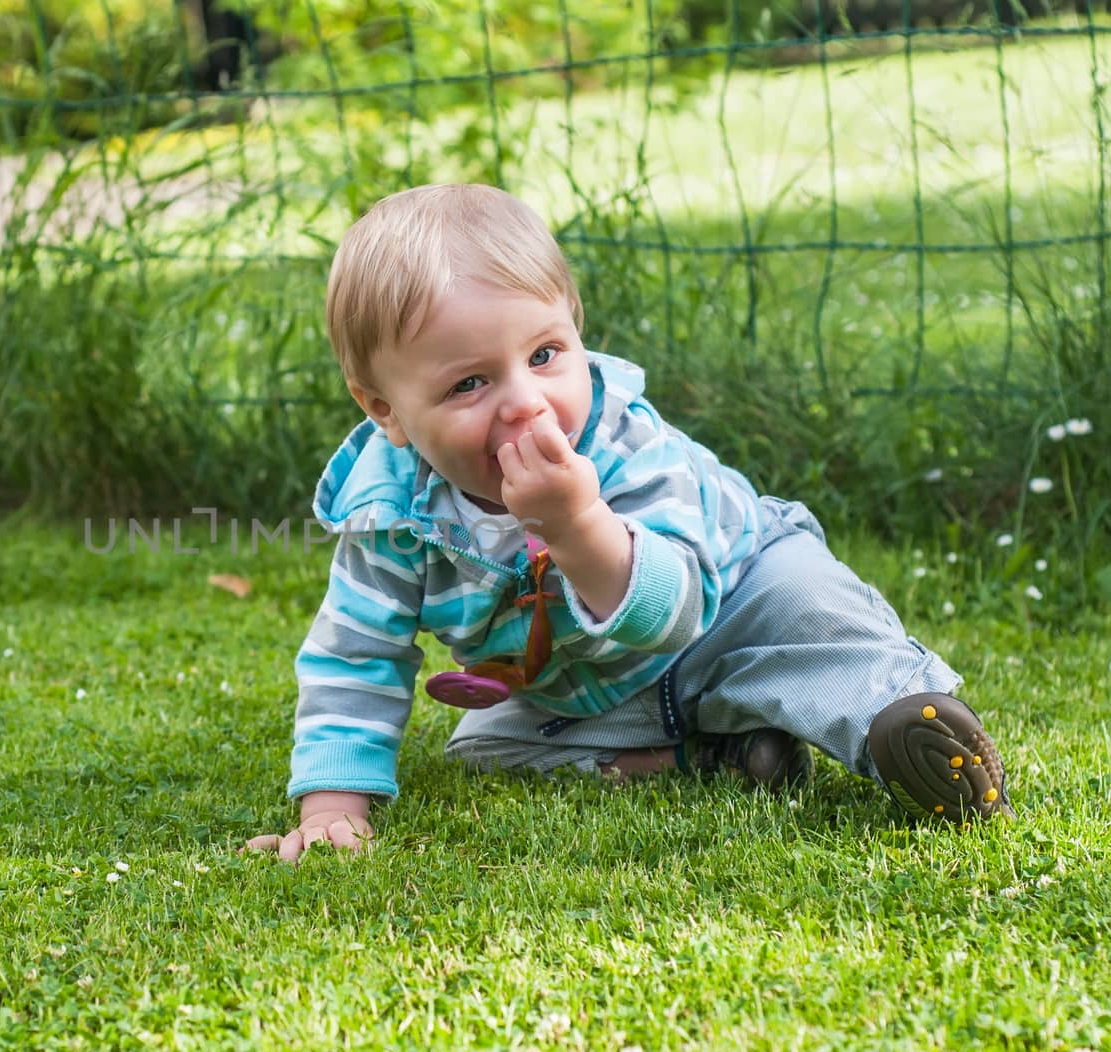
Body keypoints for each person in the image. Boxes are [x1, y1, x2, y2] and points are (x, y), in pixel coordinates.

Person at [246, 183, 1010, 863]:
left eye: (544, 353)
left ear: (575, 330)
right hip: (583, 691)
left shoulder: (622, 440)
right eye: (469, 383)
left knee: (811, 615)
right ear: (386, 410)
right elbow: (354, 655)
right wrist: (333, 807)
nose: (525, 402)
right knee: (481, 746)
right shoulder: (391, 517)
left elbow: (671, 613)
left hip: (729, 605)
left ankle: (895, 721)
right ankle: (715, 753)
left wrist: (575, 521)